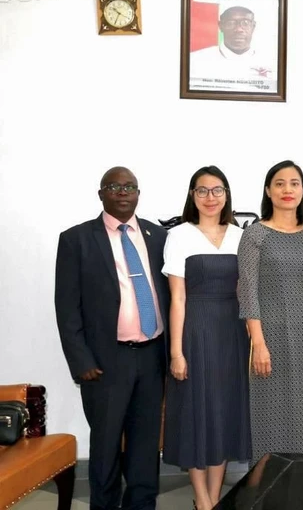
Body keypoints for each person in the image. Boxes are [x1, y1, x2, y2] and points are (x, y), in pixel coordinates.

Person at [55, 166, 169, 510]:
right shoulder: (76, 239)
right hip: (105, 361)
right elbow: (67, 306)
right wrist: (81, 361)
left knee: (146, 444)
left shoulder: (157, 236)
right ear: (101, 193)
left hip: (152, 357)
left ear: (138, 194)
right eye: (115, 186)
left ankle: (142, 504)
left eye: (130, 187)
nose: (123, 192)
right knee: (105, 445)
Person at [161, 166, 251, 510]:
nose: (210, 197)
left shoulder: (240, 235)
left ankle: (213, 499)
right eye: (202, 190)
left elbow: (247, 292)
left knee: (223, 413)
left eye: (217, 190)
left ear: (227, 195)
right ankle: (202, 499)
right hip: (195, 331)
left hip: (233, 334)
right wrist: (176, 353)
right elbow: (177, 299)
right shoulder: (180, 235)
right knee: (198, 414)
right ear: (192, 196)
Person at [238, 160, 303, 461]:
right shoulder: (255, 235)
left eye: (294, 183)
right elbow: (247, 292)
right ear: (268, 190)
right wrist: (259, 345)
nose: (287, 189)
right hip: (269, 341)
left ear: (302, 190)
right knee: (269, 421)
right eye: (279, 183)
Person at [189, 5, 274, 92]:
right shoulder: (194, 60)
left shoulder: (272, 62)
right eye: (231, 23)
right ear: (220, 26)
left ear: (253, 26)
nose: (239, 29)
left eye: (245, 23)